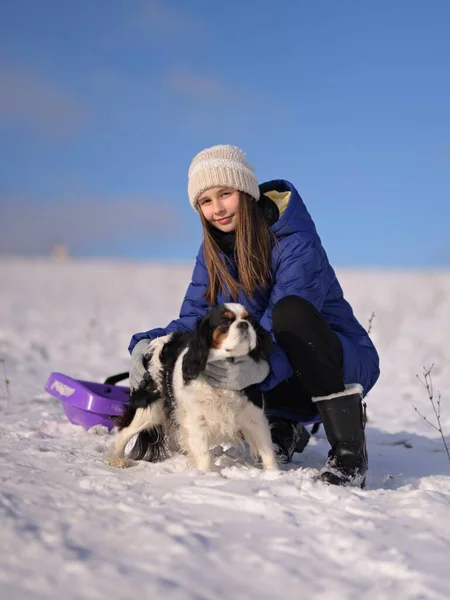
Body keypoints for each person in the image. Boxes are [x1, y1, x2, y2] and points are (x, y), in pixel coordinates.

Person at [129, 145, 380, 487]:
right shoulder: (212, 253)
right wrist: (152, 345)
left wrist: (257, 366)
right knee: (222, 352)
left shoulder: (295, 243)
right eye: (205, 201)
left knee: (288, 313)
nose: (217, 209)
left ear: (245, 192)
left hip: (334, 358)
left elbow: (289, 318)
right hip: (275, 366)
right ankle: (283, 424)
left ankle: (349, 450)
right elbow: (197, 318)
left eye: (225, 194)